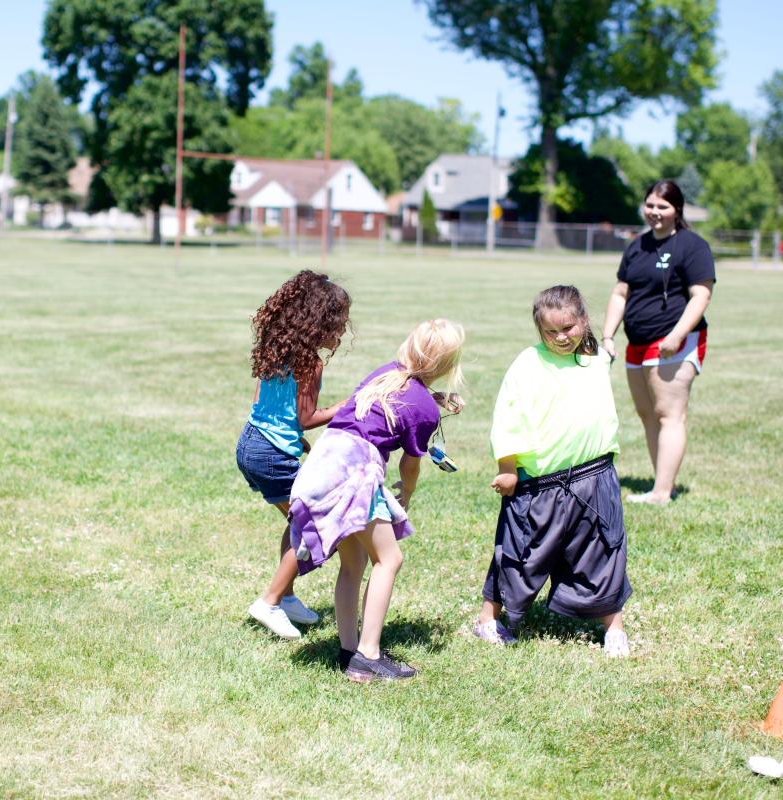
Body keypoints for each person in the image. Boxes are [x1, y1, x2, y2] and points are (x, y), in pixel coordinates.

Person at [289, 320, 465, 682]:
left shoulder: (385, 374)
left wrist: (436, 399)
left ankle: (348, 650)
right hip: (355, 469)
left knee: (353, 562)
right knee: (389, 558)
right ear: (448, 366)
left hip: (325, 460)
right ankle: (368, 655)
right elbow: (410, 464)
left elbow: (405, 398)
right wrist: (408, 494)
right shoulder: (425, 410)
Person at [473, 285, 631, 658]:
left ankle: (614, 628)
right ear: (538, 330)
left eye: (569, 328)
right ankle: (487, 619)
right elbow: (508, 416)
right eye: (551, 332)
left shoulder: (596, 360)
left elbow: (603, 344)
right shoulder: (528, 363)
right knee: (521, 553)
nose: (561, 337)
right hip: (541, 485)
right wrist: (507, 467)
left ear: (583, 321)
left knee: (604, 551)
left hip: (595, 478)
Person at [237, 270, 352, 639]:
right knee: (311, 524)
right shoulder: (310, 363)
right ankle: (269, 601)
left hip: (251, 443)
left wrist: (291, 436)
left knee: (296, 522)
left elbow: (264, 402)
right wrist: (347, 405)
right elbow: (306, 416)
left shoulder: (277, 346)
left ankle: (286, 598)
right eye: (339, 324)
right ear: (321, 322)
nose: (342, 332)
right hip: (272, 455)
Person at [602, 180, 716, 506]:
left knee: (669, 413)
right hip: (636, 342)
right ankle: (662, 483)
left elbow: (701, 294)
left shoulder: (692, 246)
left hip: (673, 340)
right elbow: (621, 292)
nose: (655, 212)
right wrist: (609, 335)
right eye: (650, 205)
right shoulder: (637, 246)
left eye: (662, 206)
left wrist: (677, 335)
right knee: (648, 415)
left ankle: (662, 493)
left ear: (677, 210)